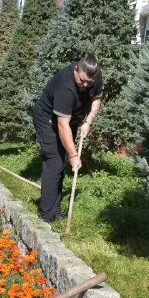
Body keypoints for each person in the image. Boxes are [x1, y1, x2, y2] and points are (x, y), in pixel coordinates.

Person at [33, 55, 103, 222]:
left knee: (61, 159)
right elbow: (62, 126)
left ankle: (55, 209)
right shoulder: (65, 86)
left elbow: (96, 99)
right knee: (54, 160)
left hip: (70, 118)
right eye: (82, 81)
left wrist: (89, 121)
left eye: (89, 83)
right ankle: (47, 215)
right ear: (76, 69)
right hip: (47, 119)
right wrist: (74, 156)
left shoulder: (94, 76)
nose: (86, 85)